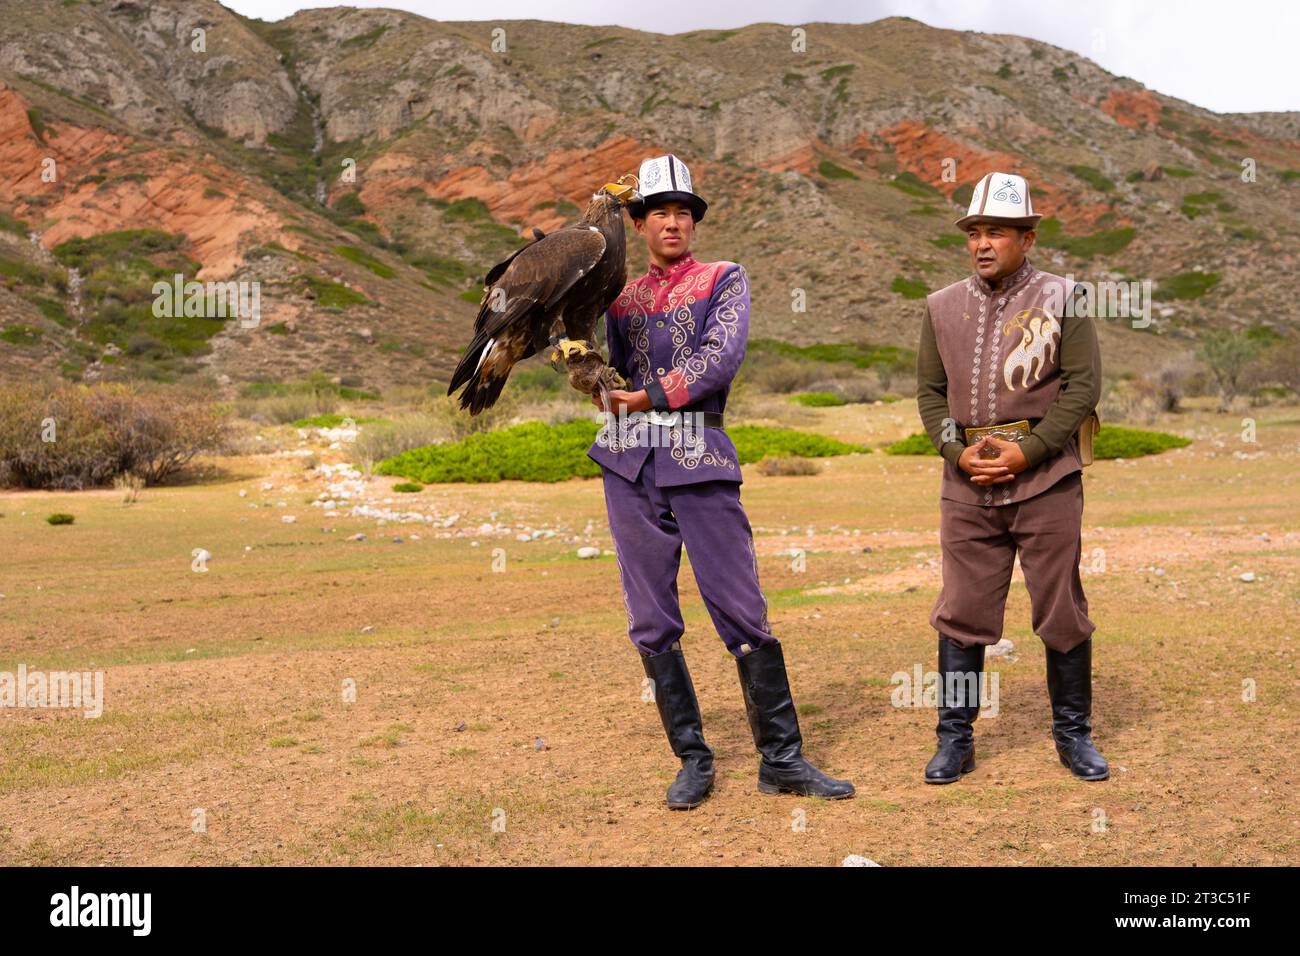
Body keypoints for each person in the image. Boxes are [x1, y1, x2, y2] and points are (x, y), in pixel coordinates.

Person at [587, 153, 854, 809]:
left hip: (698, 451)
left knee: (739, 607)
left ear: (694, 222)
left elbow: (718, 360)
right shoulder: (618, 298)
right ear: (639, 223)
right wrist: (595, 383)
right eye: (659, 213)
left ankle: (782, 759)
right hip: (627, 461)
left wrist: (645, 398)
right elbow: (612, 373)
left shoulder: (723, 279)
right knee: (650, 617)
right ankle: (693, 760)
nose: (672, 223)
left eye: (683, 212)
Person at [914, 171, 1109, 784]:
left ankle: (1073, 734)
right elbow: (930, 394)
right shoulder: (940, 306)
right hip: (966, 485)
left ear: (1027, 238)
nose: (981, 243)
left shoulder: (1065, 297)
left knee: (1060, 608)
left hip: (1047, 479)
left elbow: (1083, 387)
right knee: (961, 610)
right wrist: (955, 453)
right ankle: (955, 739)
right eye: (974, 232)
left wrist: (1032, 452)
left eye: (996, 232)